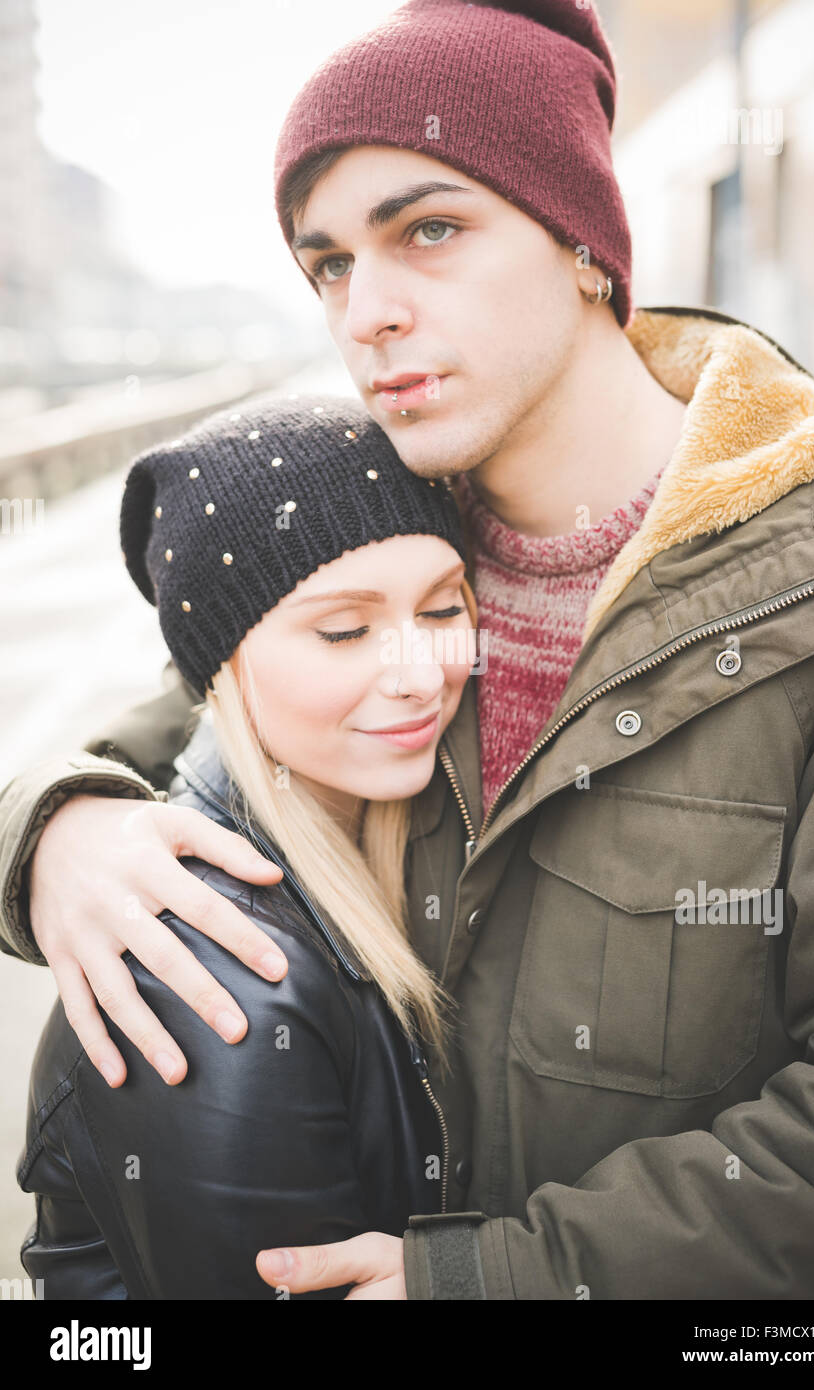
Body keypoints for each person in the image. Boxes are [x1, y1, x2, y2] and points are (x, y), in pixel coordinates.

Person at [5, 0, 814, 1299]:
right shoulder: (391, 535)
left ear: (583, 244)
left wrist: (488, 1280)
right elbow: (205, 700)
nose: (367, 312)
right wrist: (57, 826)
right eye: (329, 264)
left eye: (429, 230)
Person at [17, 393, 479, 1299]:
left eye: (442, 610)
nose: (421, 673)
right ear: (217, 665)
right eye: (344, 631)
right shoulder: (213, 974)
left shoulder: (377, 831)